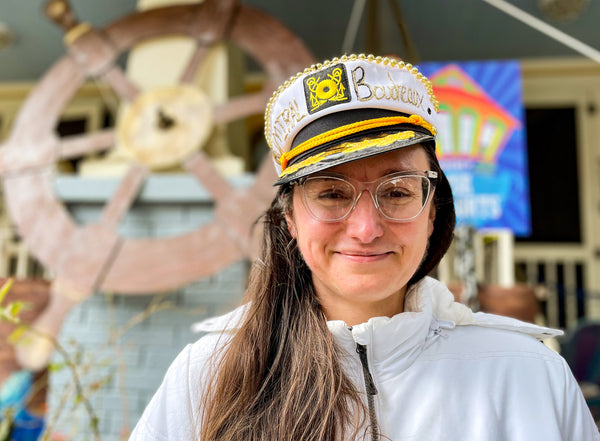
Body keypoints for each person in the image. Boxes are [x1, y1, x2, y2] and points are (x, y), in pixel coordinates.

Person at [129, 54, 599, 441]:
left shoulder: (527, 374)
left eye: (397, 191)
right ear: (289, 217)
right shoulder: (207, 374)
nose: (367, 228)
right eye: (331, 193)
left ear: (432, 210)